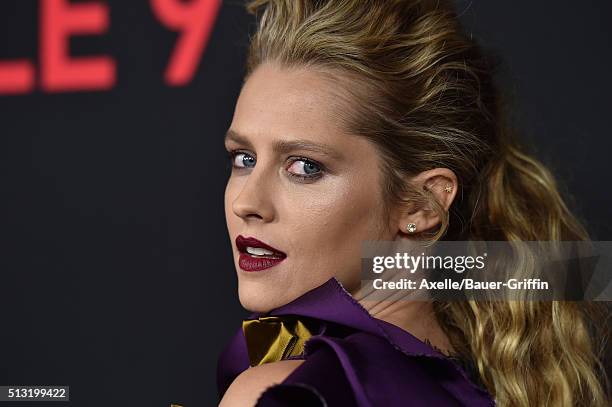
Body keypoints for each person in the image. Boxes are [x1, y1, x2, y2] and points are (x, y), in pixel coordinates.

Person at [217, 0, 610, 405]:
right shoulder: (494, 386)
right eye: (244, 159)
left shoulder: (289, 392)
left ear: (421, 204)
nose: (247, 201)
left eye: (304, 167)